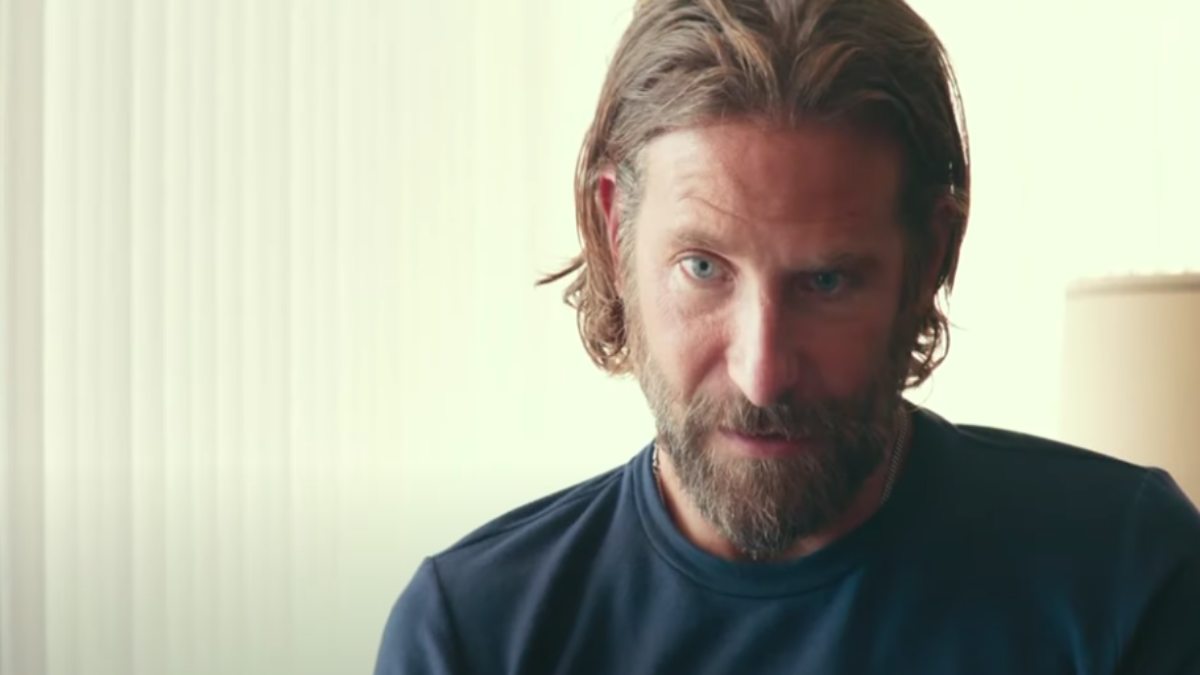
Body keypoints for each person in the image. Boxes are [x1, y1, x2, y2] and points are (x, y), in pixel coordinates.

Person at [374, 0, 1200, 672]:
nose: (762, 372)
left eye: (827, 281)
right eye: (703, 268)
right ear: (615, 229)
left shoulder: (1125, 575)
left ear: (929, 258)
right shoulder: (474, 634)